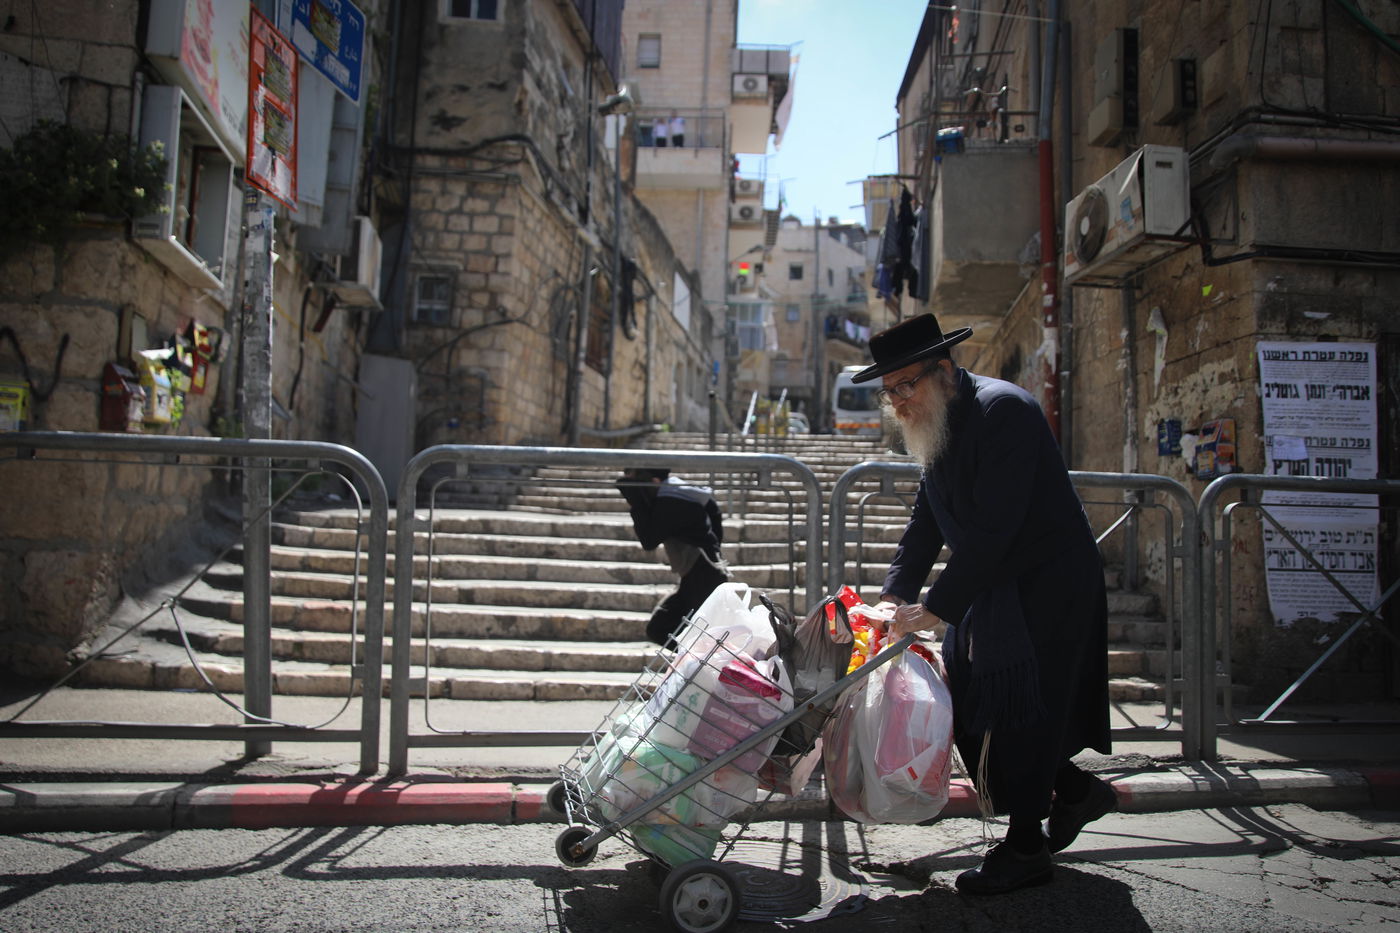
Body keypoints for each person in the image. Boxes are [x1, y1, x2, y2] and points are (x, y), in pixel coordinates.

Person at [853, 312, 1115, 896]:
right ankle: (1075, 792)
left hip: (1047, 587)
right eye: (887, 390)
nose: (895, 402)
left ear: (942, 371)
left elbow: (996, 529)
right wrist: (894, 595)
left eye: (904, 385)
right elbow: (927, 522)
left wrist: (935, 609)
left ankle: (1026, 848)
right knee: (968, 703)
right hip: (990, 586)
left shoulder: (1005, 412)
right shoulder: (940, 421)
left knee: (1022, 710)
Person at [616, 467, 730, 647]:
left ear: (654, 482)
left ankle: (699, 668)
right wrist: (713, 546)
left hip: (702, 575)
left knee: (665, 630)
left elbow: (649, 540)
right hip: (699, 573)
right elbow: (713, 509)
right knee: (660, 628)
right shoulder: (678, 492)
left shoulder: (669, 502)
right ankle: (693, 666)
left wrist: (636, 502)